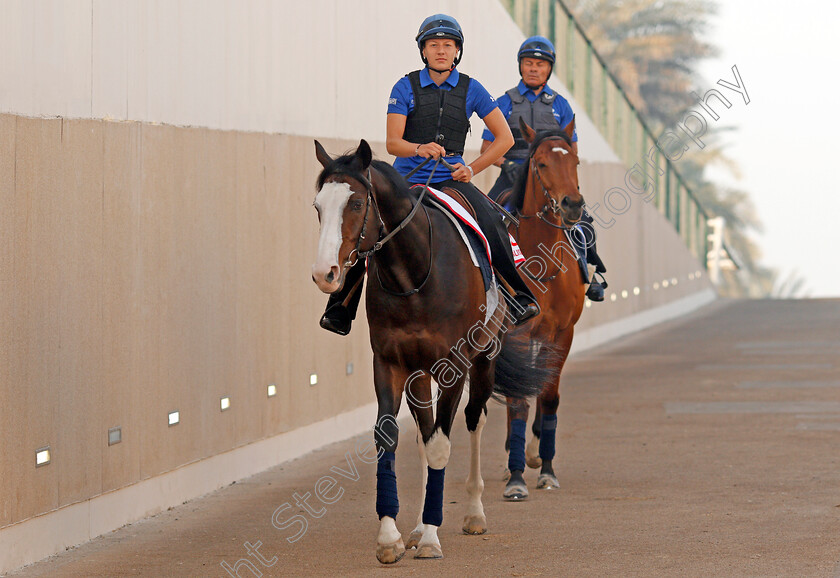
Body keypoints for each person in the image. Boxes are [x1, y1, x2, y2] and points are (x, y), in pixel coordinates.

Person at [319, 14, 540, 336]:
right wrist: (419, 148)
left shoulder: (473, 88)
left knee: (491, 221)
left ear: (457, 51)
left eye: (447, 45)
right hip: (406, 178)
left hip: (450, 180)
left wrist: (472, 169)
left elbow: (504, 138)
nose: (440, 51)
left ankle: (517, 294)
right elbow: (394, 143)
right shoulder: (404, 86)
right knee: (367, 230)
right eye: (433, 45)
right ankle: (340, 308)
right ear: (423, 51)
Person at [480, 36, 608, 302]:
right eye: (528, 63)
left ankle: (591, 273)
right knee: (485, 220)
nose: (534, 69)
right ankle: (482, 278)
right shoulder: (504, 102)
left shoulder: (561, 105)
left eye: (540, 64)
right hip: (512, 177)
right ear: (521, 66)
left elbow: (572, 151)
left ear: (549, 69)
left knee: (583, 222)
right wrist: (508, 164)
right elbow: (486, 150)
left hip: (551, 177)